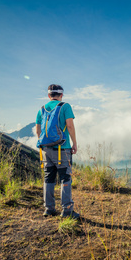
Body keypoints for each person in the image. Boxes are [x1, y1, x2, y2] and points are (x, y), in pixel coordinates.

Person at [36, 84, 80, 218]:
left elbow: (38, 131)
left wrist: (46, 144)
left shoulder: (42, 109)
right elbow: (70, 126)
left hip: (45, 149)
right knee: (65, 178)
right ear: (61, 95)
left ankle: (49, 209)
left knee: (48, 178)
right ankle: (67, 211)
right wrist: (74, 143)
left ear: (49, 96)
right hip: (62, 148)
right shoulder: (65, 106)